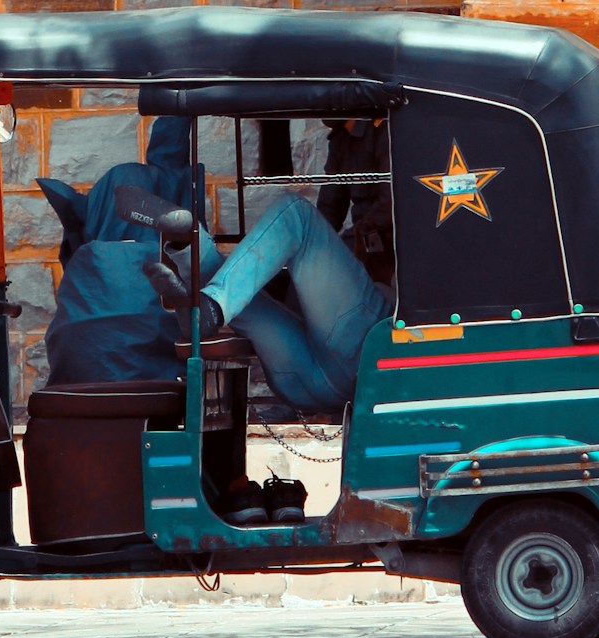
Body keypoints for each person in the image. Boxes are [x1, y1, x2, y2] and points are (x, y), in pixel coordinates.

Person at [39, 117, 388, 416]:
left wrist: (348, 245)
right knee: (247, 276)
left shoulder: (387, 131)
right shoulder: (344, 141)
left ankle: (186, 244)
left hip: (340, 359)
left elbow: (390, 217)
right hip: (323, 367)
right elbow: (328, 214)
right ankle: (188, 252)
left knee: (286, 226)